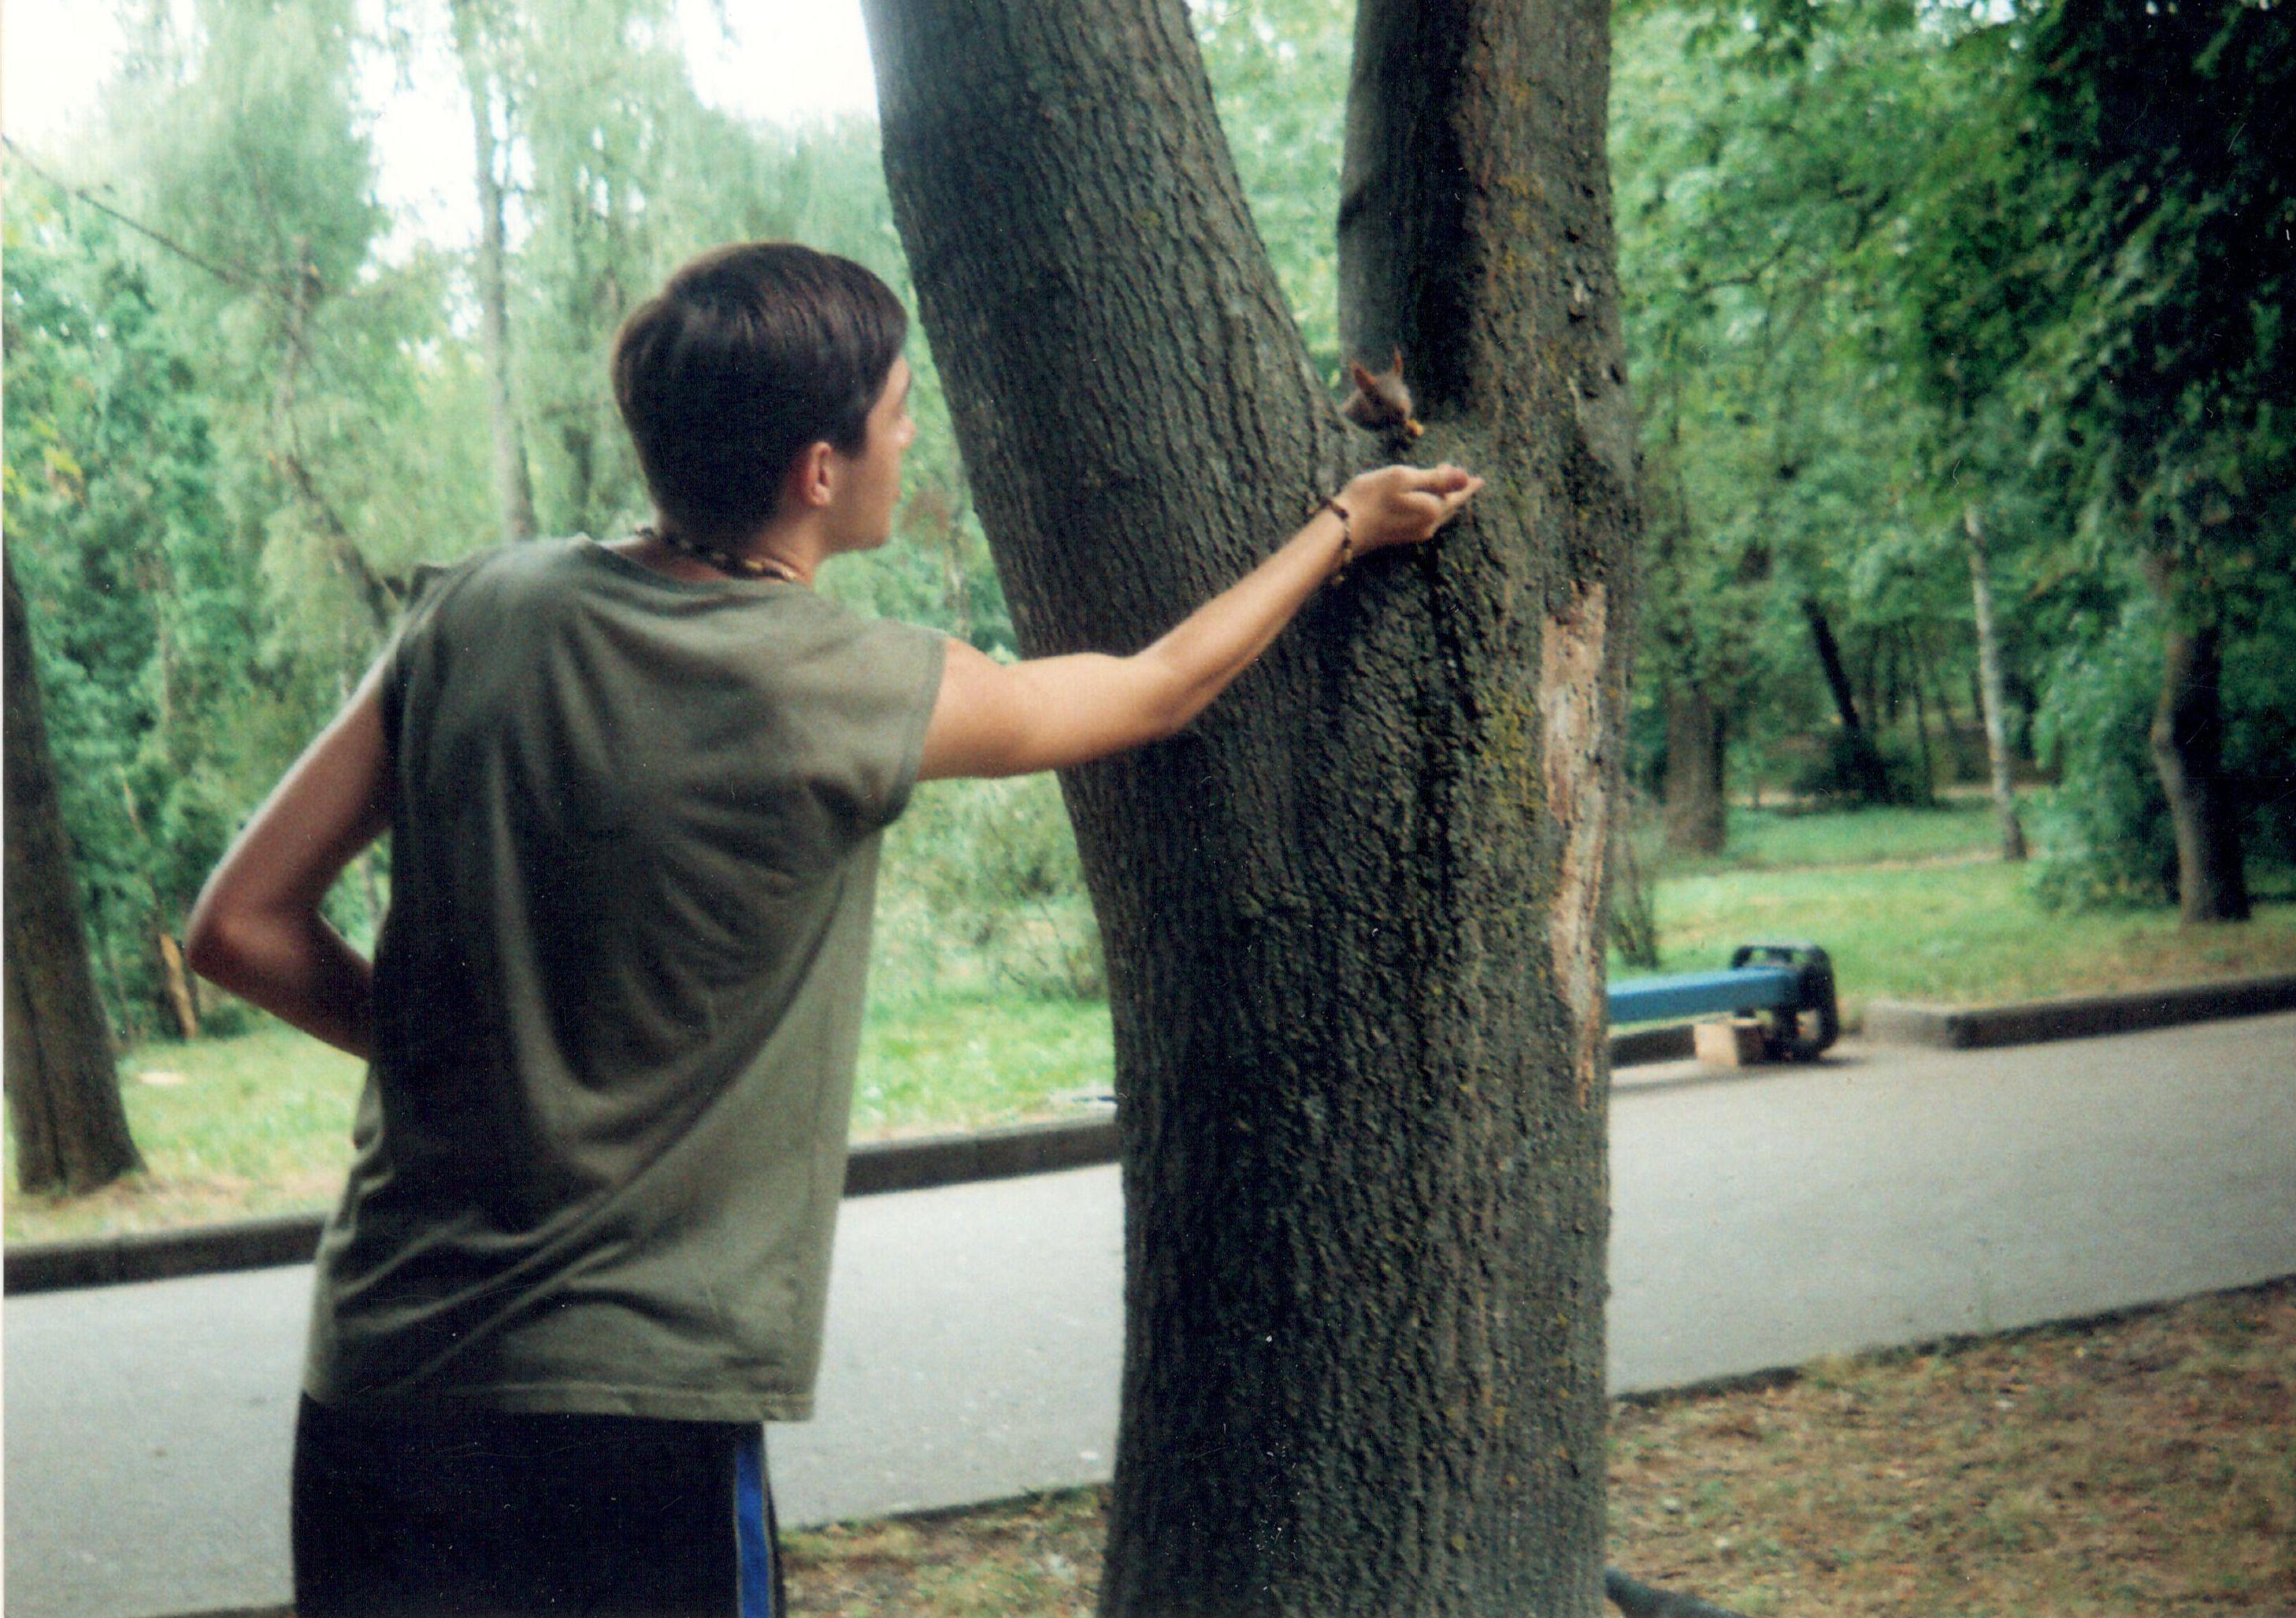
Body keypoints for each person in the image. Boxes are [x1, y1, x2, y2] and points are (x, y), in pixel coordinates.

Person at [184, 240, 1482, 1617]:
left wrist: (459, 1054)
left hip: (378, 1384)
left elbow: (241, 926)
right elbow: (1151, 689)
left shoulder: (474, 613)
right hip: (636, 1413)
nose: (910, 437)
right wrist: (1343, 527)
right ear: (818, 469)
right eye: (899, 412)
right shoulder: (846, 688)